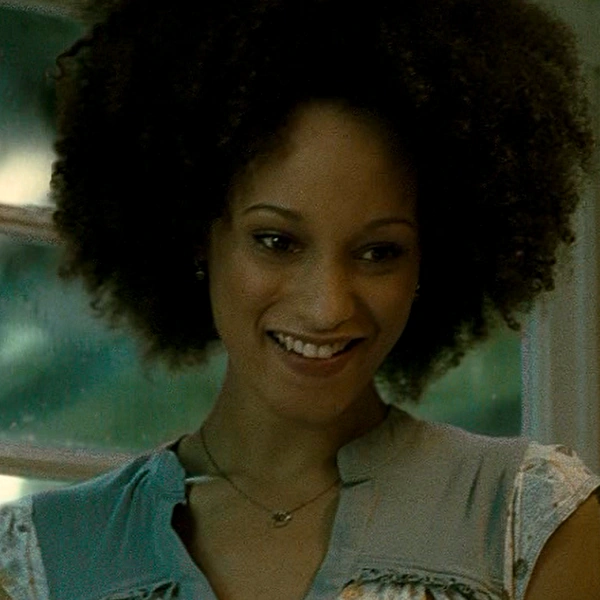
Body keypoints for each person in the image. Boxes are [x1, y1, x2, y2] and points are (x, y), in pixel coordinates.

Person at [1, 0, 599, 598]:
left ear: (432, 256)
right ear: (196, 232)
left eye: (379, 252)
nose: (327, 306)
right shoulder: (38, 562)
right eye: (277, 242)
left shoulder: (528, 523)